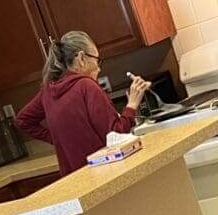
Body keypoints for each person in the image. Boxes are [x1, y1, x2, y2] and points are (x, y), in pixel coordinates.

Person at [14, 31, 153, 173]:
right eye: (97, 60)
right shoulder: (87, 86)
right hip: (103, 172)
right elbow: (115, 134)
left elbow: (23, 121)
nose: (99, 68)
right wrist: (132, 105)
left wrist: (59, 140)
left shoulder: (48, 91)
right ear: (81, 58)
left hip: (74, 179)